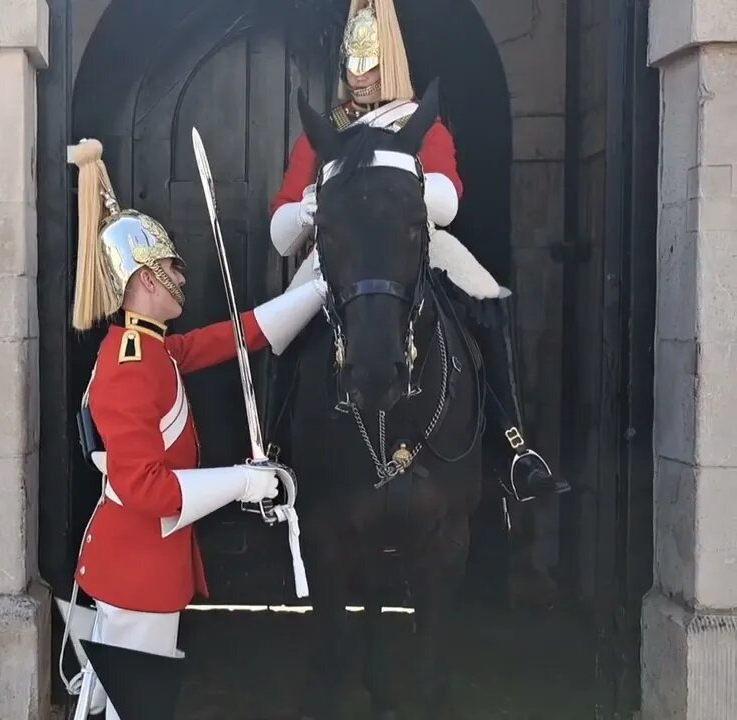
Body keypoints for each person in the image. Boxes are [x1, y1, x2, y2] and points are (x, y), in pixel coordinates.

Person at [58, 139, 326, 719]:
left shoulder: (149, 348)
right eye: (172, 264)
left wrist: (317, 292)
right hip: (137, 571)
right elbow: (148, 490)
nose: (182, 272)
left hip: (140, 566)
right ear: (147, 280)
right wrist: (242, 483)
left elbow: (226, 339)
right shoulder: (132, 364)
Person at [266, 0, 569, 503]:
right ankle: (274, 451)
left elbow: (446, 202)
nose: (361, 79)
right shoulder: (322, 132)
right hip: (340, 254)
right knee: (281, 324)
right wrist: (313, 205)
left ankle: (513, 446)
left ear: (393, 63)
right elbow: (281, 235)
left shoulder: (420, 123)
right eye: (353, 67)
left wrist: (383, 185)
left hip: (415, 243)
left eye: (372, 66)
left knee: (486, 294)